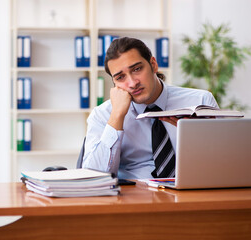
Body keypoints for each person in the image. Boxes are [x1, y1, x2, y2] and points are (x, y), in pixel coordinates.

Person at [82, 37, 218, 179]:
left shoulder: (200, 102)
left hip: (191, 192)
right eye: (120, 77)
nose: (132, 83)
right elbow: (93, 177)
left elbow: (224, 161)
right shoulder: (103, 115)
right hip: (134, 197)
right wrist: (117, 116)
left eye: (137, 69)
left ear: (153, 64)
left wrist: (199, 138)